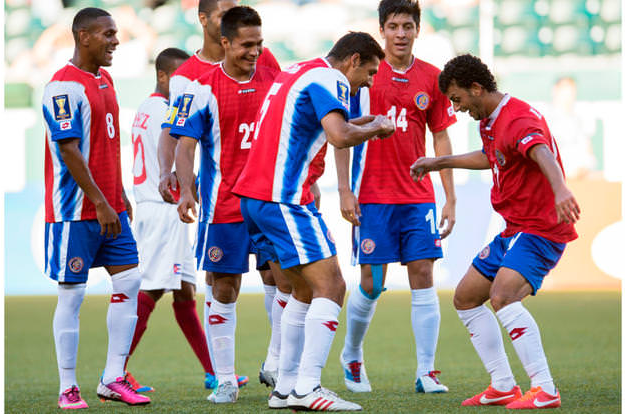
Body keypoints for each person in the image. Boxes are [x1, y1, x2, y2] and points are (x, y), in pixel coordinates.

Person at [232, 31, 395, 411]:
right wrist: (377, 128)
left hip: (255, 197)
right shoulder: (331, 78)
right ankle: (308, 387)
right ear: (353, 60)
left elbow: (321, 123)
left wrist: (367, 121)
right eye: (370, 73)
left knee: (303, 291)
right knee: (332, 286)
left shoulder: (298, 71)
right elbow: (339, 135)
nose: (369, 83)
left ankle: (285, 388)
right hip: (284, 198)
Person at [410, 53, 580, 409]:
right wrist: (439, 161)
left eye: (457, 99)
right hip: (515, 229)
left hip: (541, 228)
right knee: (465, 298)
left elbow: (541, 152)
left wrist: (561, 189)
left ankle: (545, 389)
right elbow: (492, 157)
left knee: (503, 296)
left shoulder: (517, 118)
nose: (456, 108)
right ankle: (503, 384)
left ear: (476, 88)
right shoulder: (489, 120)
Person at [156, 0, 280, 389]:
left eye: (259, 44)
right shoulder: (194, 83)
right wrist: (181, 185)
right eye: (247, 45)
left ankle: (278, 365)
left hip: (270, 201)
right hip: (224, 203)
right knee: (224, 286)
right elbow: (180, 139)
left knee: (283, 280)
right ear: (222, 38)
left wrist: (307, 182)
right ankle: (224, 379)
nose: (255, 52)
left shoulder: (271, 72)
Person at [335, 0, 456, 394]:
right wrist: (344, 190)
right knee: (371, 284)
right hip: (372, 196)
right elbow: (340, 133)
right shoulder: (364, 75)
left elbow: (440, 137)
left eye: (407, 26)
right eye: (393, 26)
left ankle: (427, 371)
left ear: (417, 29)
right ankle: (352, 354)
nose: (400, 34)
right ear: (381, 29)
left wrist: (450, 196)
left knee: (424, 276)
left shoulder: (432, 78)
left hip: (418, 197)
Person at [42, 7, 150, 409]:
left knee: (130, 281)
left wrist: (118, 195)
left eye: (116, 33)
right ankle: (67, 387)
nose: (115, 41)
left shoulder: (105, 79)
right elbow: (69, 151)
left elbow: (108, 144)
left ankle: (112, 378)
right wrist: (101, 202)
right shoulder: (62, 87)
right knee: (72, 295)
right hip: (75, 212)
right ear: (83, 36)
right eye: (107, 34)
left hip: (110, 207)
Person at [124, 47, 217, 393]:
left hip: (158, 206)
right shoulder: (167, 111)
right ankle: (116, 371)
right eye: (178, 77)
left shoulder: (144, 109)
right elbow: (179, 155)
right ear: (162, 75)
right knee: (153, 288)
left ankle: (213, 371)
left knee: (184, 291)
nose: (185, 84)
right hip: (164, 206)